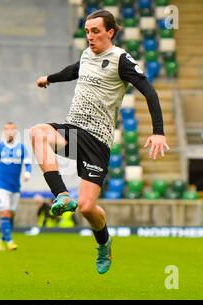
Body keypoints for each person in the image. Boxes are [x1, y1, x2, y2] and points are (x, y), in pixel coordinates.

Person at [30, 9, 169, 274]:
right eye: (86, 32)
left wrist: (158, 131)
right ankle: (61, 194)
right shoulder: (86, 55)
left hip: (98, 140)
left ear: (110, 32)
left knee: (87, 208)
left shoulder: (120, 59)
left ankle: (104, 243)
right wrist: (50, 78)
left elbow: (148, 91)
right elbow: (75, 70)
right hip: (73, 128)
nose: (90, 37)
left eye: (95, 31)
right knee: (38, 132)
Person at [0, 122, 32, 251]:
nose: (10, 132)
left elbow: (28, 164)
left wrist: (27, 173)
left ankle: (3, 238)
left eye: (12, 129)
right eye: (7, 129)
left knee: (11, 215)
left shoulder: (22, 148)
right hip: (1, 186)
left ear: (15, 132)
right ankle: (9, 241)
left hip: (15, 187)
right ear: (4, 132)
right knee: (5, 212)